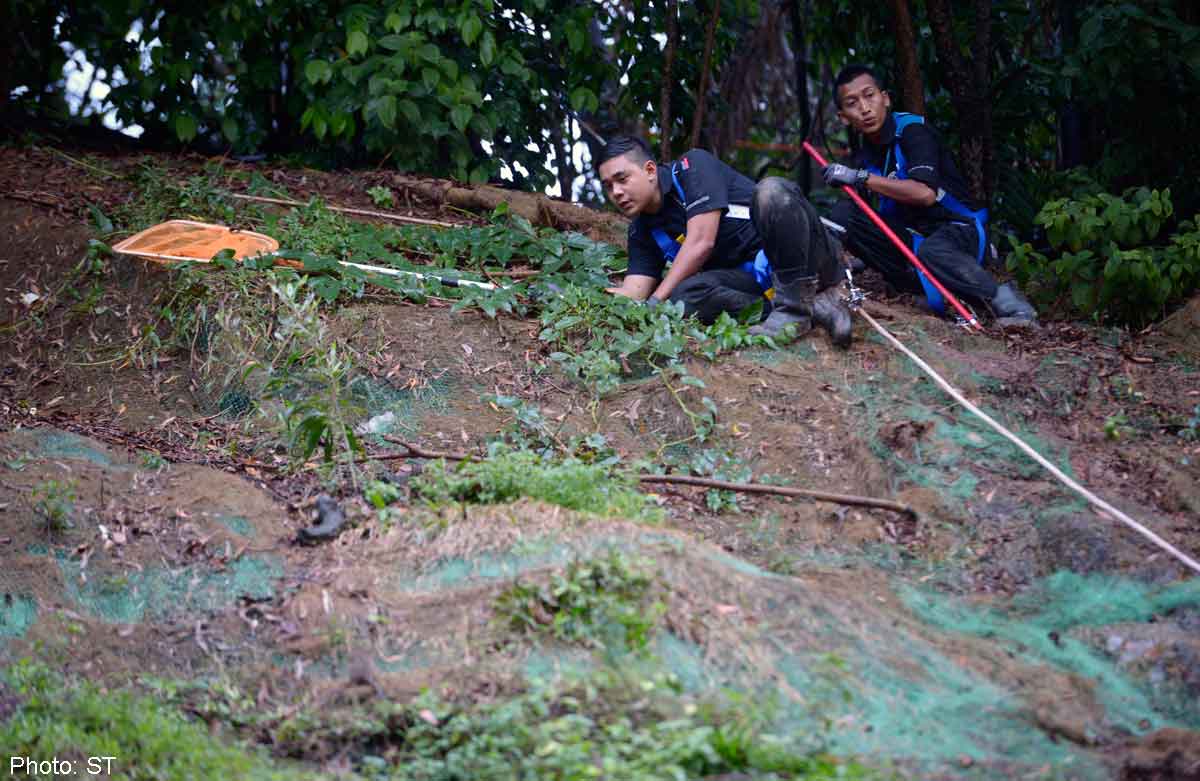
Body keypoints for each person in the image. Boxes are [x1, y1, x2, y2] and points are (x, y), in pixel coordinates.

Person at [823, 64, 1037, 324]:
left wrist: (860, 178)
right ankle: (920, 289)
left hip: (957, 228)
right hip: (914, 239)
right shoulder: (866, 155)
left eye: (869, 95)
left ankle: (1011, 305)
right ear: (843, 117)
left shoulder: (913, 132)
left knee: (933, 251)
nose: (865, 108)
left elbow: (925, 194)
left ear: (885, 98)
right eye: (852, 103)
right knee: (843, 215)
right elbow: (874, 218)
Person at [595, 136, 852, 346]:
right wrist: (590, 296)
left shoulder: (692, 167)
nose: (616, 192)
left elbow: (701, 242)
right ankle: (800, 309)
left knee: (771, 192)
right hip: (758, 284)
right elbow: (634, 293)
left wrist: (655, 301)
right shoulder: (641, 230)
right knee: (683, 297)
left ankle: (797, 308)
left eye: (622, 179)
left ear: (650, 170)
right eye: (608, 186)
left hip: (809, 258)